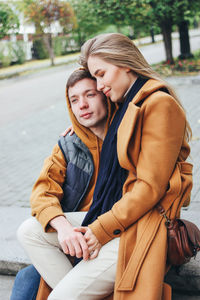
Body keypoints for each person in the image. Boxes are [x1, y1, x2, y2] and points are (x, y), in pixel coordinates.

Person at [18, 33, 193, 300]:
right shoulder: (124, 106)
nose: (99, 87)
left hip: (141, 225)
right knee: (30, 232)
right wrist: (78, 130)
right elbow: (41, 193)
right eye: (74, 100)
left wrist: (98, 230)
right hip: (111, 216)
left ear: (125, 63)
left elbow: (149, 187)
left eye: (101, 76)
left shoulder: (156, 104)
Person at [11, 68, 116, 300]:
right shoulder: (68, 145)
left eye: (90, 95)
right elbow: (42, 192)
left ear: (105, 95)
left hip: (112, 232)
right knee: (26, 277)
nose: (82, 106)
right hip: (76, 240)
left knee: (37, 285)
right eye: (74, 100)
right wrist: (64, 228)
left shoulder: (125, 136)